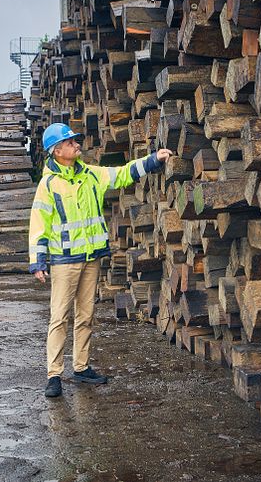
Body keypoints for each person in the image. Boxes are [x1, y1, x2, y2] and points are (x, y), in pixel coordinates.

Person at [28, 123, 173, 397]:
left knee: (86, 315)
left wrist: (153, 160)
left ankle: (81, 368)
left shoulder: (90, 175)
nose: (76, 144)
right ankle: (54, 375)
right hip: (64, 261)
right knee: (59, 317)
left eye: (75, 140)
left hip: (91, 257)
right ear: (56, 151)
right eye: (70, 142)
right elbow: (39, 225)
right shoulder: (48, 184)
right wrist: (38, 261)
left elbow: (121, 175)